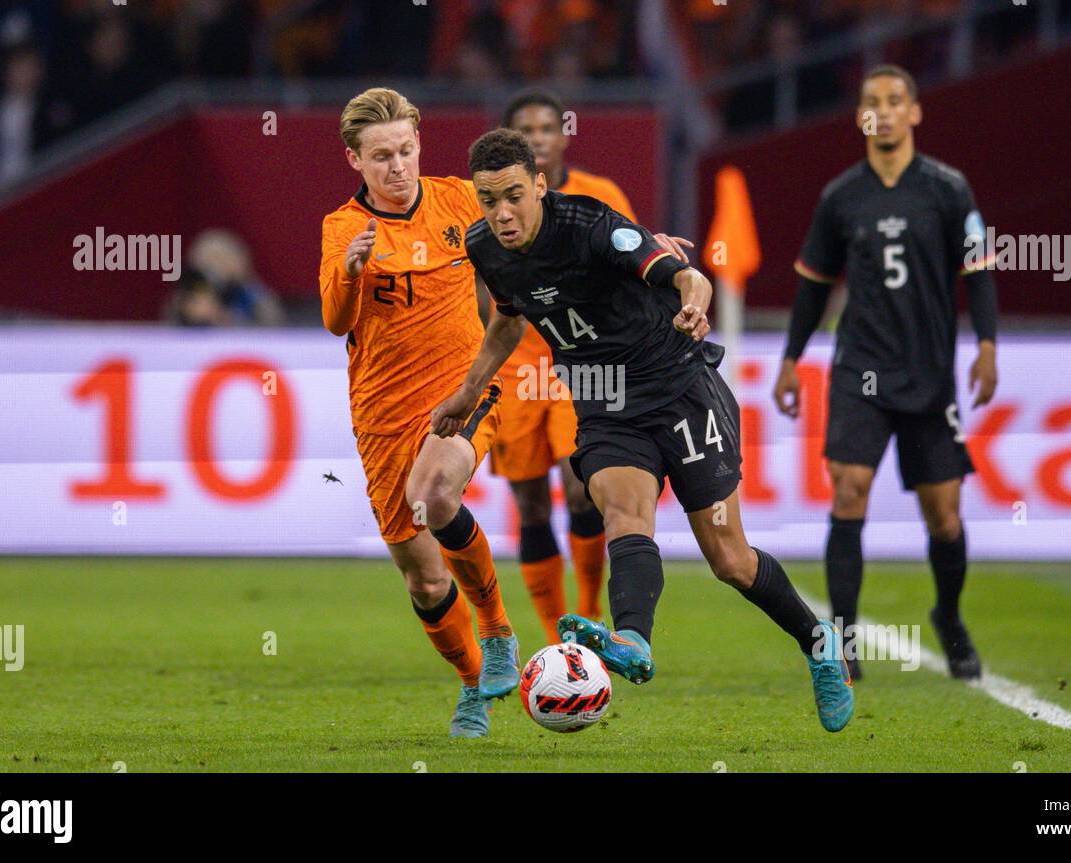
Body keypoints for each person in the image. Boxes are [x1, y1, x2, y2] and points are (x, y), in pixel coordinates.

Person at [432, 128, 854, 732]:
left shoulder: (590, 224)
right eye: (489, 199)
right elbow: (508, 317)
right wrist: (469, 391)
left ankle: (820, 646)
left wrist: (693, 301)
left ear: (541, 186)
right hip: (604, 401)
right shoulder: (485, 247)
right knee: (623, 513)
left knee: (730, 559)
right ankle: (632, 639)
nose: (502, 213)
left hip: (678, 387)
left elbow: (685, 274)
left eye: (514, 196)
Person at [772, 64, 1000, 680]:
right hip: (860, 370)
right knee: (848, 488)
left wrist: (987, 345)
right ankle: (842, 641)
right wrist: (791, 360)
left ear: (915, 112)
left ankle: (948, 617)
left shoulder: (949, 190)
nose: (885, 110)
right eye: (873, 101)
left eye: (897, 99)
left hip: (928, 374)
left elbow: (978, 271)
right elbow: (813, 285)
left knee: (944, 515)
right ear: (861, 117)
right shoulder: (841, 196)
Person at [318, 87, 519, 738]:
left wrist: (632, 251)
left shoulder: (462, 200)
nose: (398, 166)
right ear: (355, 160)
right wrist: (351, 272)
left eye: (407, 150)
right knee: (426, 581)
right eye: (381, 156)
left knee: (434, 492)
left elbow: (539, 219)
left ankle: (497, 630)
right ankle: (471, 685)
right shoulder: (344, 229)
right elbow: (335, 320)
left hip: (464, 386)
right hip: (381, 411)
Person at [493, 87, 645, 646]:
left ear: (564, 135)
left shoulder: (599, 195)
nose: (537, 139)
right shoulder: (490, 207)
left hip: (583, 364)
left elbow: (630, 265)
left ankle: (588, 615)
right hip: (517, 369)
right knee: (530, 503)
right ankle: (555, 635)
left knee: (582, 490)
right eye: (524, 131)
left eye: (545, 129)